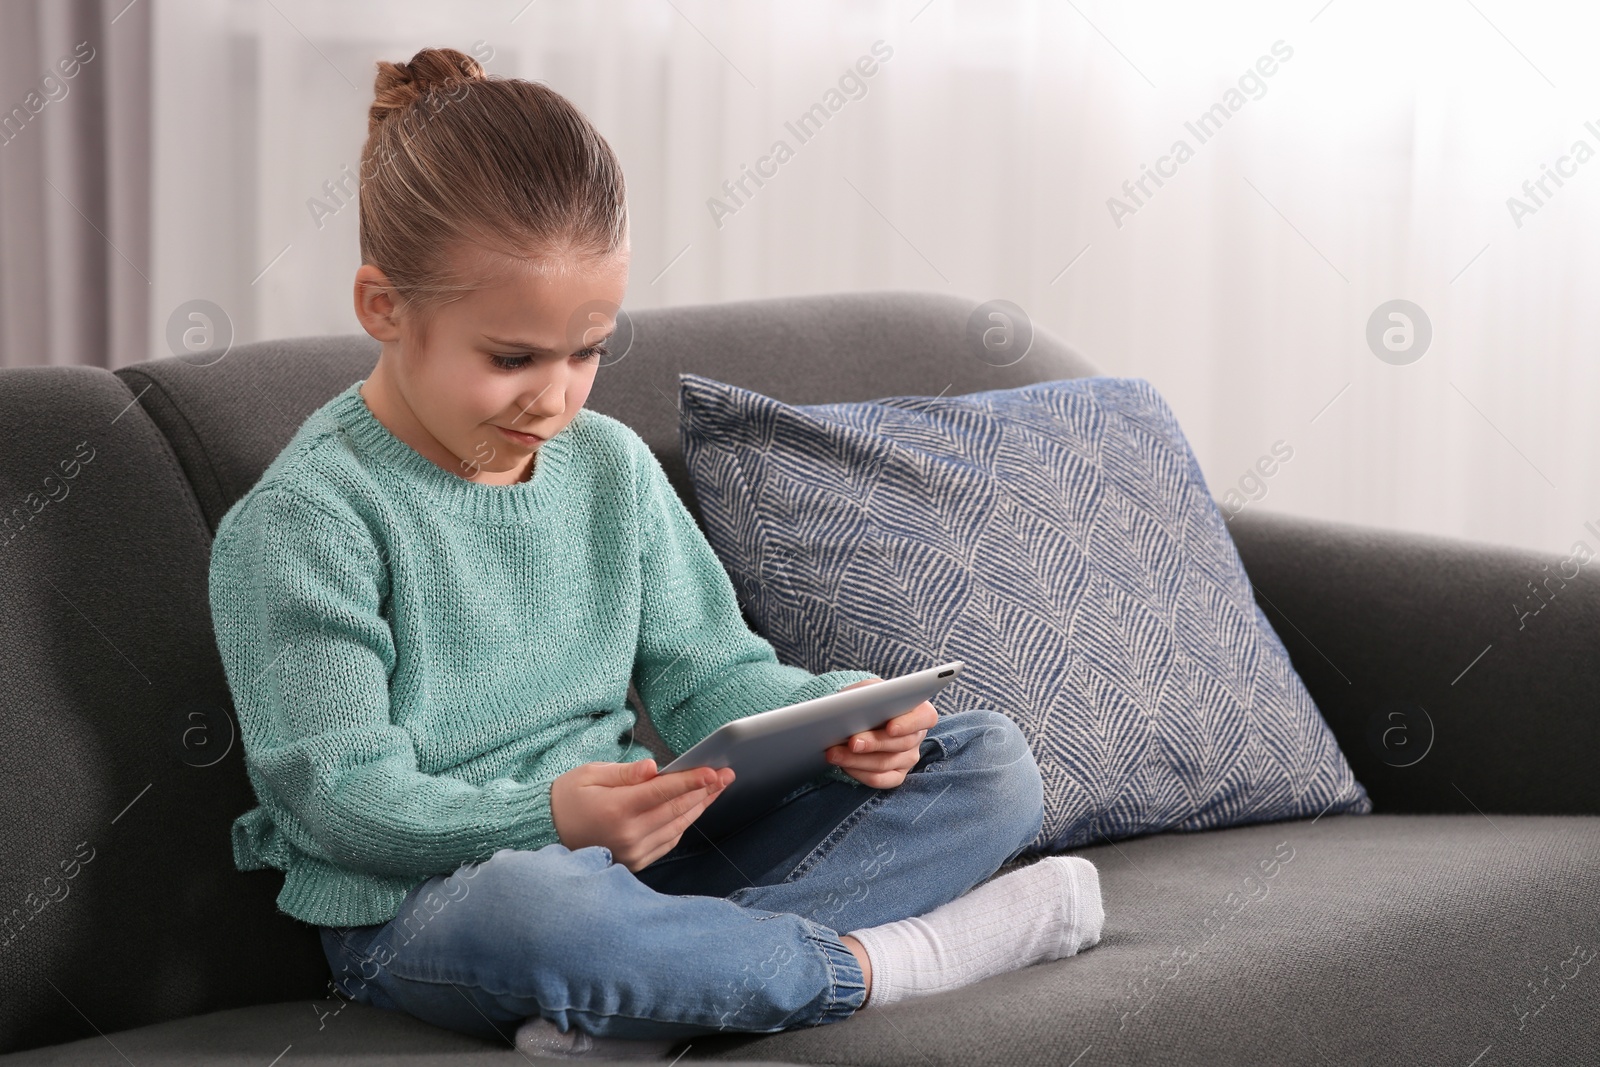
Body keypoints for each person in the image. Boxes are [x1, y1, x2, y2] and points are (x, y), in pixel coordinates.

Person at [207, 45, 1105, 1059]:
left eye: (587, 350)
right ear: (384, 308)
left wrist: (844, 716)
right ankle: (885, 964)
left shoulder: (608, 466)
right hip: (433, 901)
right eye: (511, 358)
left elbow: (710, 675)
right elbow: (339, 803)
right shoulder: (304, 520)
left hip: (644, 862)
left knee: (986, 762)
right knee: (541, 907)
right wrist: (551, 815)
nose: (554, 397)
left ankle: (658, 992)